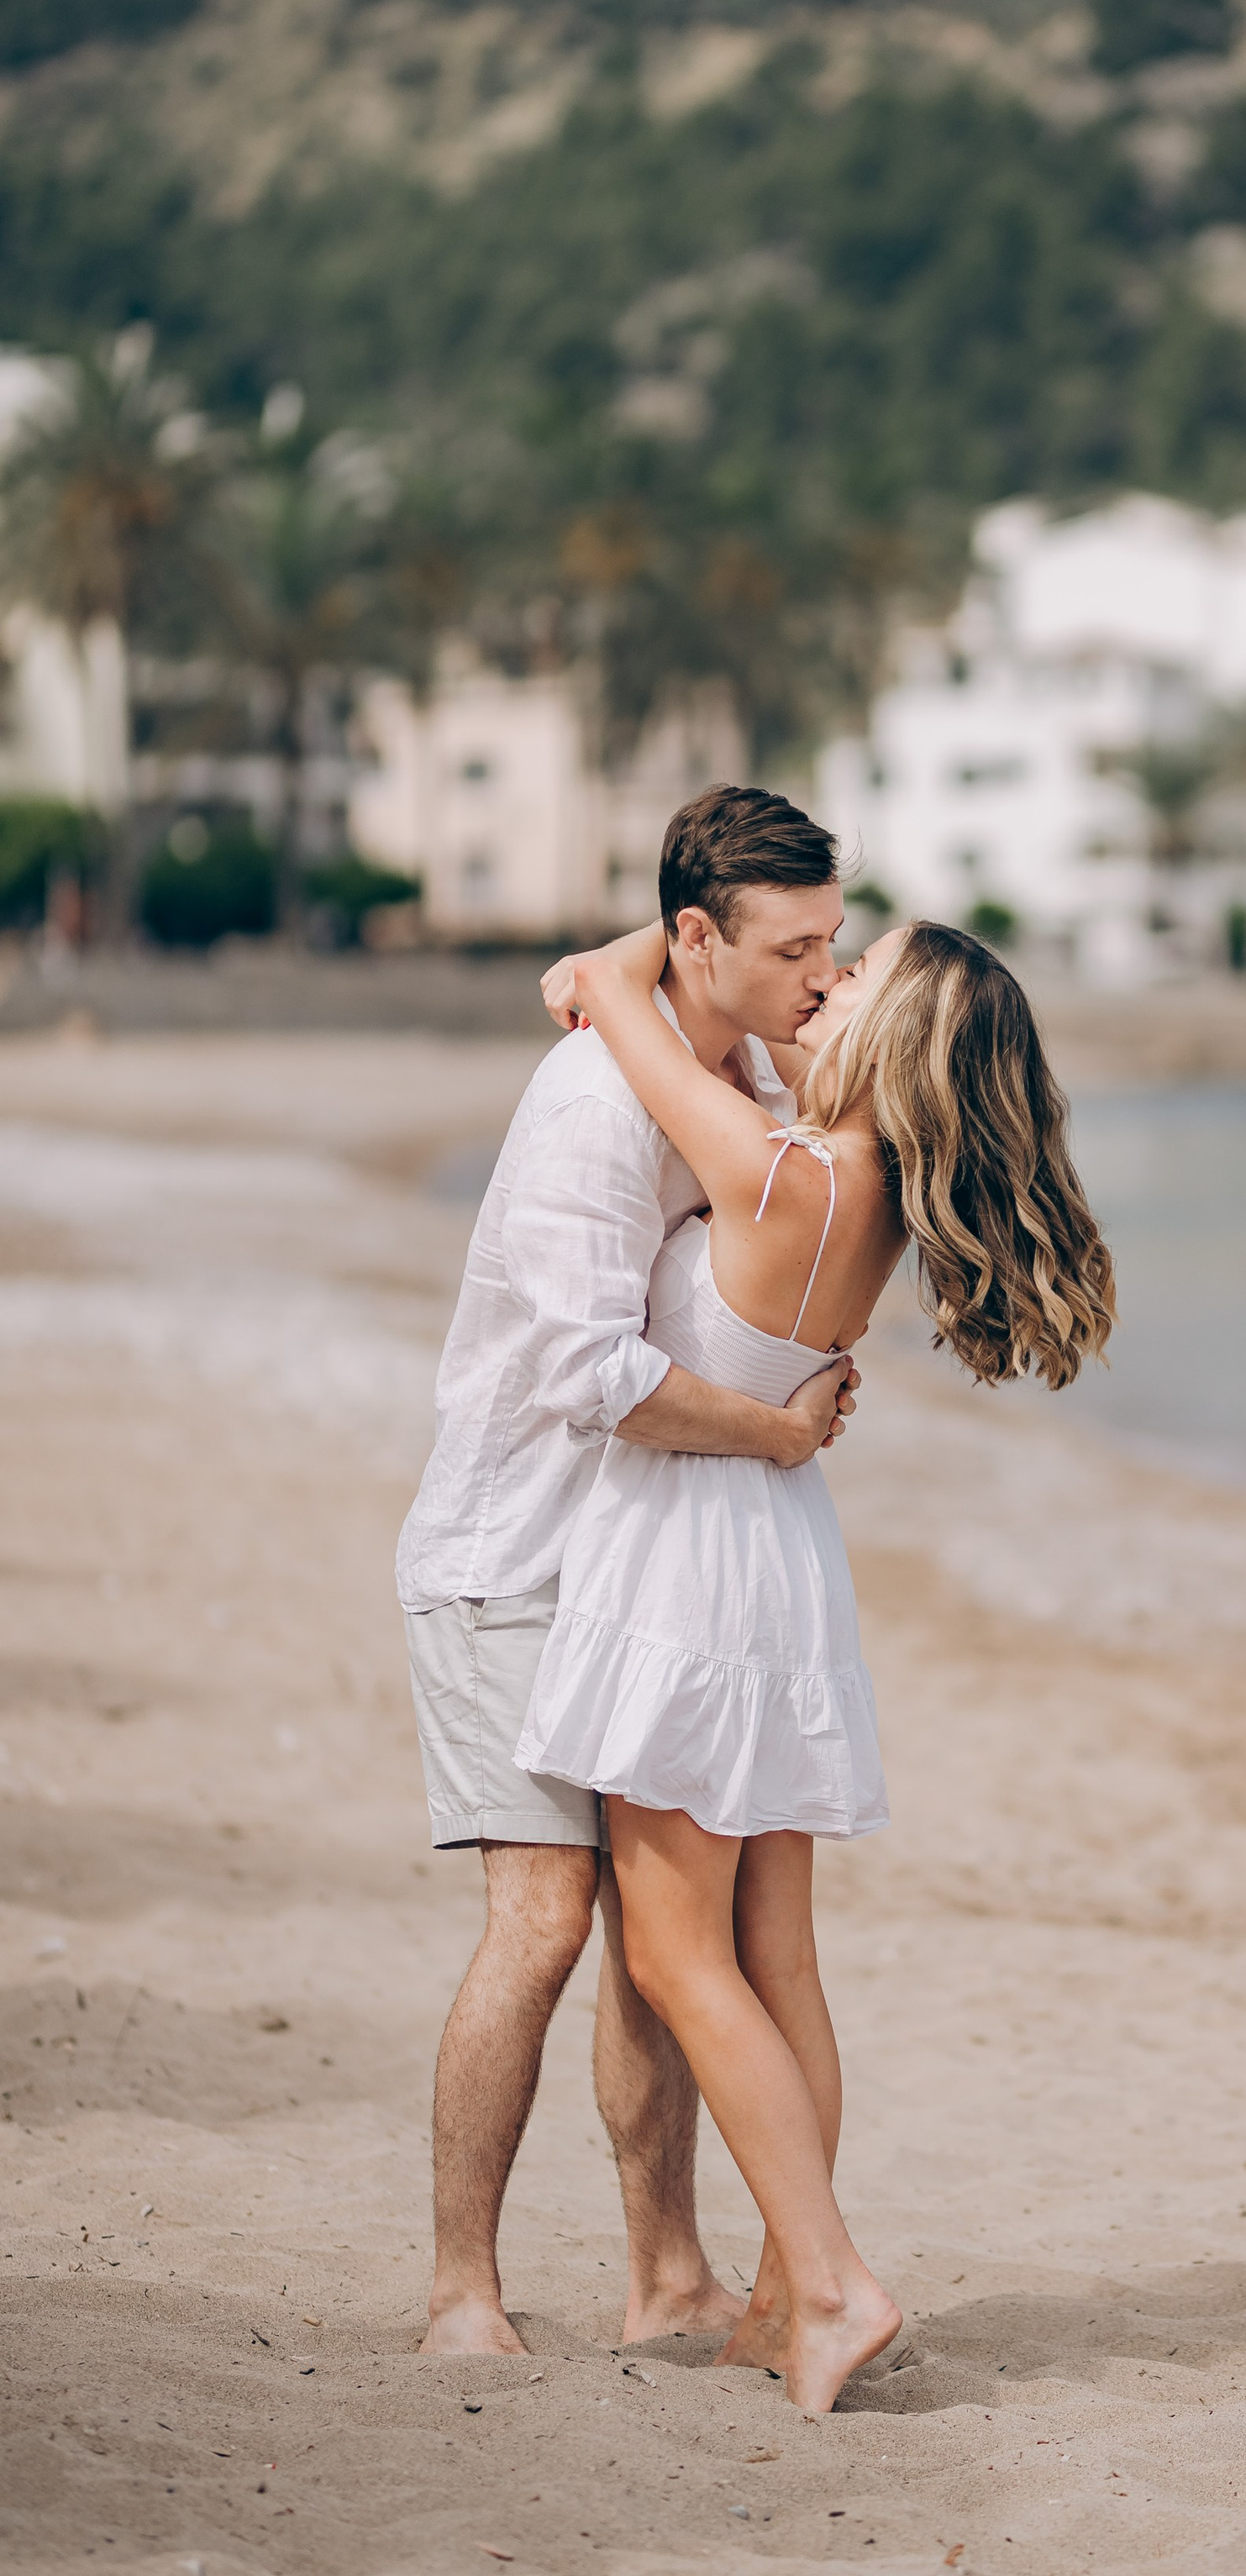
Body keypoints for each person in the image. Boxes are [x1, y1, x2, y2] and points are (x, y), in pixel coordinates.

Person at [516, 911, 1116, 2411]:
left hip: (692, 1572)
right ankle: (789, 2289)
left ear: (892, 1040)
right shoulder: (863, 1183)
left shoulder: (784, 1169)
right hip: (774, 1557)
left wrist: (612, 966)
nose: (820, 988)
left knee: (673, 1952)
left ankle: (833, 2279)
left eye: (851, 978)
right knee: (775, 1954)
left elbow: (621, 1006)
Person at [397, 784, 860, 2358]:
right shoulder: (600, 1101)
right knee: (545, 1917)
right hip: (513, 1557)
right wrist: (774, 1437)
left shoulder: (728, 1064)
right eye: (793, 947)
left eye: (832, 944)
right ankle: (464, 2290)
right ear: (696, 937)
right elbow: (591, 1370)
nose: (821, 975)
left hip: (642, 1574)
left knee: (665, 1946)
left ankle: (667, 2275)